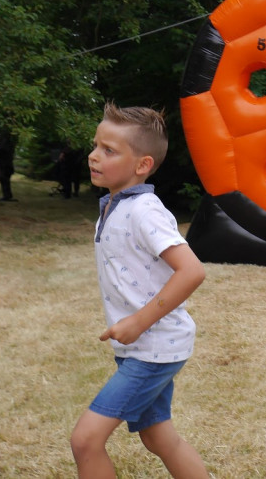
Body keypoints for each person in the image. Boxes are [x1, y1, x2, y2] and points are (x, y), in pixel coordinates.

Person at [70, 104, 211, 478]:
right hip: (143, 347)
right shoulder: (115, 205)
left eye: (109, 150)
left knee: (85, 440)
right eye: (96, 146)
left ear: (142, 165)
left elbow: (192, 270)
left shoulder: (144, 211)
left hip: (153, 349)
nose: (94, 156)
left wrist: (138, 322)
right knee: (159, 437)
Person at [0, 133, 16, 202]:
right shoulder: (10, 145)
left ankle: (6, 196)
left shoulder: (4, 146)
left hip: (4, 166)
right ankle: (7, 195)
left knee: (4, 180)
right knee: (6, 181)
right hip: (8, 166)